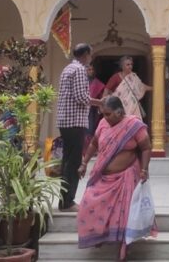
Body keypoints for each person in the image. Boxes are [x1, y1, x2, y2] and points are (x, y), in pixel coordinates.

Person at [77, 96, 156, 261]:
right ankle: (100, 237)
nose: (105, 117)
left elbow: (146, 147)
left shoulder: (133, 125)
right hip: (103, 177)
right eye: (103, 114)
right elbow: (93, 144)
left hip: (126, 177)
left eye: (108, 114)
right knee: (87, 203)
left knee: (124, 214)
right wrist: (84, 163)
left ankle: (123, 251)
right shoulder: (103, 124)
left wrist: (144, 169)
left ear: (119, 112)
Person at [56, 43, 101, 211]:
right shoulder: (80, 69)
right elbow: (82, 97)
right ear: (86, 54)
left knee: (67, 161)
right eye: (90, 54)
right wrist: (101, 102)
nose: (90, 58)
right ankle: (68, 201)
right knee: (73, 162)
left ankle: (63, 200)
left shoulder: (68, 68)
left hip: (65, 121)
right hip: (74, 121)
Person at [86, 63, 106, 146]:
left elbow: (102, 96)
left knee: (92, 129)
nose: (91, 71)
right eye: (89, 70)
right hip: (82, 109)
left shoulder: (97, 83)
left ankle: (91, 147)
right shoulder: (81, 82)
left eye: (92, 69)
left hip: (93, 110)